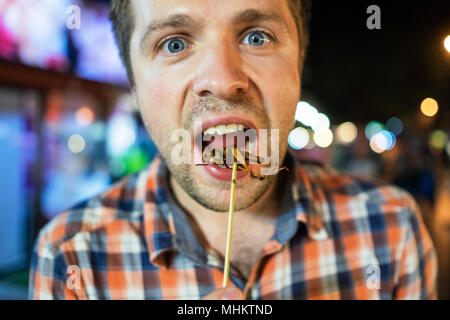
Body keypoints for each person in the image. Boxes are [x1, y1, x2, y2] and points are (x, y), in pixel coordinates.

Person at [29, 0, 437, 300]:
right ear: (134, 84)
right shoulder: (71, 254)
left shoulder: (392, 226)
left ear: (298, 67)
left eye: (256, 37)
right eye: (173, 44)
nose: (222, 80)